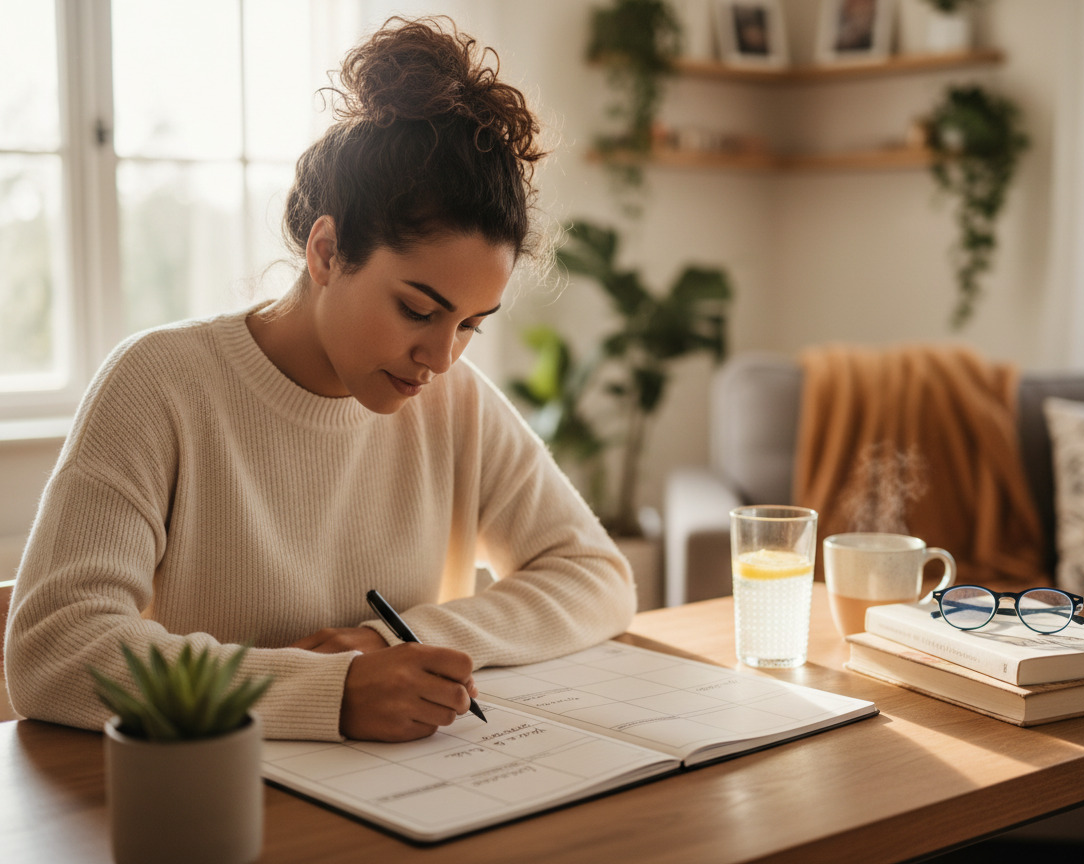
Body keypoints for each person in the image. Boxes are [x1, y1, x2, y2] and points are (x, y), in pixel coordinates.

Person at [3, 16, 636, 743]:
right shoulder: (160, 385)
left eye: (470, 324)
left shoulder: (451, 401)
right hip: (217, 806)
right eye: (417, 309)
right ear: (328, 252)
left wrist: (395, 640)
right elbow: (53, 650)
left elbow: (598, 577)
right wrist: (322, 693)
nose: (442, 357)